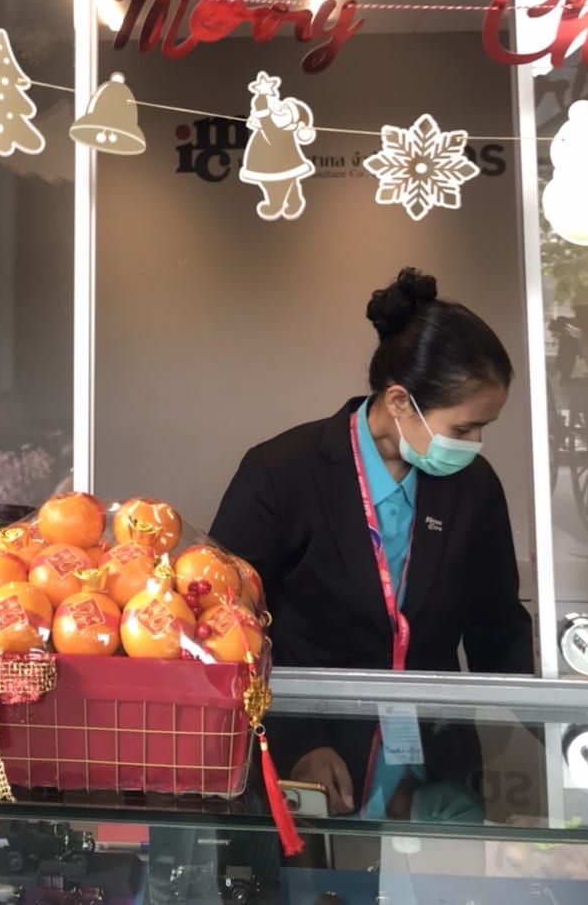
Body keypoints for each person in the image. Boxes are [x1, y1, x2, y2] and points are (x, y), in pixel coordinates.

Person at [210, 267, 533, 816]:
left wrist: (572, 728)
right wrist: (296, 741)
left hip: (437, 771)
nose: (476, 444)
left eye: (485, 427)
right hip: (314, 762)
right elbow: (222, 627)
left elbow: (498, 627)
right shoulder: (283, 472)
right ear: (401, 402)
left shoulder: (473, 488)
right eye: (463, 429)